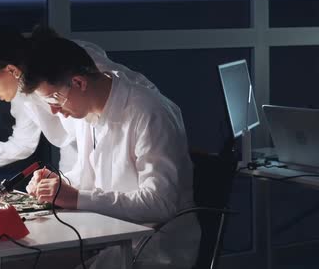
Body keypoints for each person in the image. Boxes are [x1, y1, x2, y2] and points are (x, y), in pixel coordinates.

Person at [22, 30, 200, 268]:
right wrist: (58, 184)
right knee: (23, 260)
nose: (54, 111)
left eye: (54, 100)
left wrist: (75, 197)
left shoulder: (149, 112)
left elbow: (161, 204)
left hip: (153, 249)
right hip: (110, 236)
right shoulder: (88, 113)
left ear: (78, 82)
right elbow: (91, 177)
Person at [0, 25, 157, 175]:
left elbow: (125, 92)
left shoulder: (70, 62)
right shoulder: (24, 91)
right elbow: (23, 142)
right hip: (80, 165)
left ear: (11, 69)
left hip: (127, 147)